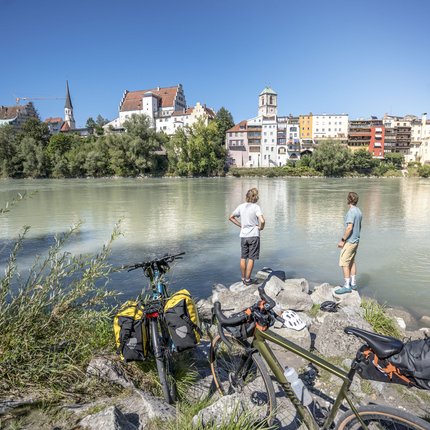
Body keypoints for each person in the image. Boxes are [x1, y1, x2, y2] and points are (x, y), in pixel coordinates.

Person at [229, 188, 265, 285]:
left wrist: (241, 225)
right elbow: (262, 220)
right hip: (253, 235)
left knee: (243, 257)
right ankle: (248, 280)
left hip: (243, 236)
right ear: (255, 197)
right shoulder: (256, 207)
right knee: (251, 258)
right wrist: (261, 228)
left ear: (246, 196)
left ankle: (243, 278)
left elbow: (231, 217)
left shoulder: (241, 206)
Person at [335, 191, 363, 294]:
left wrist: (342, 240)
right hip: (356, 241)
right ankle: (354, 284)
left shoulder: (351, 212)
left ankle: (347, 286)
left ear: (348, 200)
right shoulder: (359, 211)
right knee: (352, 261)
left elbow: (349, 227)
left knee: (344, 262)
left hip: (350, 241)